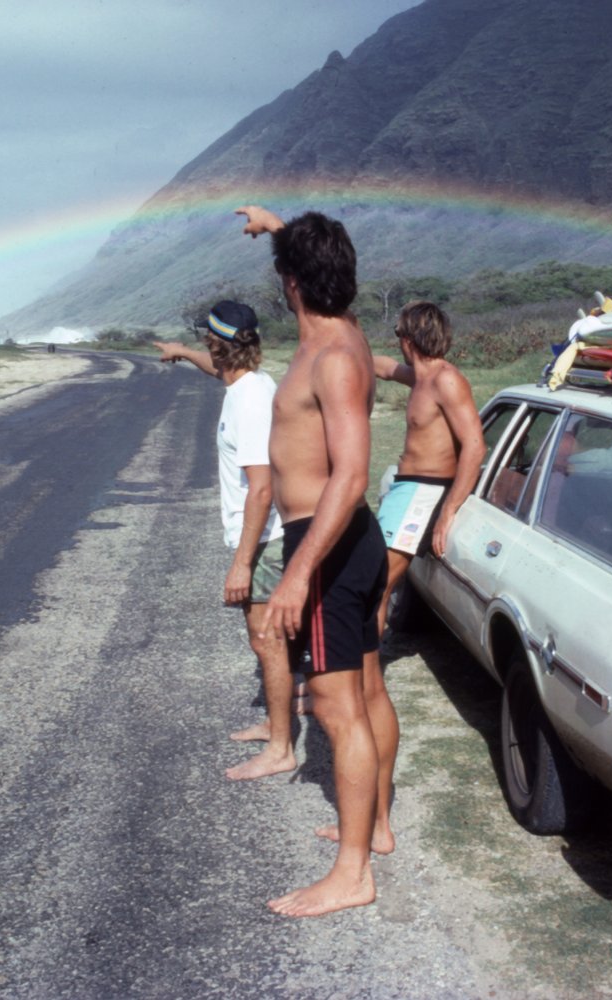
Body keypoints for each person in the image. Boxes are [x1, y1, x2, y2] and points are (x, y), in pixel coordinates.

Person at [237, 203, 395, 918]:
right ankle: (379, 827)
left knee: (335, 708)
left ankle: (352, 872)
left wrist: (297, 575)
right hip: (349, 539)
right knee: (364, 692)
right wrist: (279, 228)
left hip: (324, 542)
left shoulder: (331, 358)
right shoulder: (347, 331)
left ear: (290, 285)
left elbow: (352, 473)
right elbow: (310, 265)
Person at [153, 301, 299, 781]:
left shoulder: (251, 403)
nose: (202, 351)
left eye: (203, 344)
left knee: (267, 640)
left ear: (217, 344)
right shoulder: (246, 383)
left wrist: (242, 563)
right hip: (260, 539)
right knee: (264, 640)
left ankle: (281, 747)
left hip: (263, 541)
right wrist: (179, 353)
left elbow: (262, 487)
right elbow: (218, 371)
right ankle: (277, 723)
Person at [372, 301, 485, 639]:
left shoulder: (445, 379)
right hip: (406, 488)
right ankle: (362, 678)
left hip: (422, 491)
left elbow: (475, 445)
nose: (396, 341)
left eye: (397, 333)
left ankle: (362, 681)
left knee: (374, 586)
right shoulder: (420, 377)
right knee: (371, 584)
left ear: (410, 337)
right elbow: (384, 367)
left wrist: (448, 511)